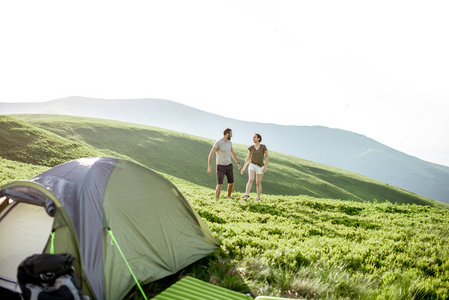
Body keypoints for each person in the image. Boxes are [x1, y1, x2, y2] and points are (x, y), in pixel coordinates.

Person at [207, 128, 241, 200]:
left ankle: (229, 196)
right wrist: (209, 167)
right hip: (220, 166)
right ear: (227, 134)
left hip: (229, 165)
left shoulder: (229, 143)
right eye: (231, 134)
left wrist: (238, 162)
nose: (232, 136)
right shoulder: (218, 142)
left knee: (231, 183)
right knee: (219, 184)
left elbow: (233, 153)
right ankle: (217, 200)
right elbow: (211, 155)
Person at [240, 133, 269, 200]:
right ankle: (246, 195)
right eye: (253, 137)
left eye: (255, 137)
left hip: (260, 166)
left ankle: (258, 197)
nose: (253, 139)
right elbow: (248, 158)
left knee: (258, 183)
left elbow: (267, 157)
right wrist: (243, 168)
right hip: (252, 165)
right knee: (251, 179)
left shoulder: (263, 147)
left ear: (259, 139)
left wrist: (265, 168)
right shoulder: (251, 147)